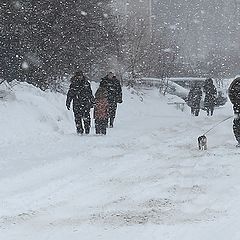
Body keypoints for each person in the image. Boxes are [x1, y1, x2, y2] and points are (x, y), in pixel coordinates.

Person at [228, 77, 240, 147]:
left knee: (237, 124)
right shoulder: (236, 83)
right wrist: (236, 103)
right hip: (237, 107)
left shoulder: (235, 83)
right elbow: (231, 94)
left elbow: (230, 93)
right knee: (237, 123)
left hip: (237, 106)